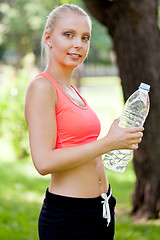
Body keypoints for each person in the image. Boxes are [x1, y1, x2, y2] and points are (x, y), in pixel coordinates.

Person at [24, 4, 144, 240]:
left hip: (101, 208)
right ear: (48, 38)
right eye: (68, 35)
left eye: (85, 37)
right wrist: (109, 143)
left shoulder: (71, 89)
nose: (78, 44)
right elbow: (43, 161)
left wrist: (115, 136)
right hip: (69, 218)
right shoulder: (42, 87)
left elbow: (79, 144)